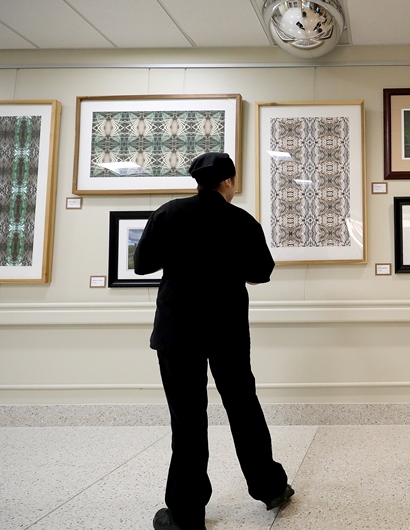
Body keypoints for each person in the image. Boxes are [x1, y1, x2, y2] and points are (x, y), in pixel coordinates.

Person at [134, 152, 294, 530]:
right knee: (244, 408)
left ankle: (186, 514)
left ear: (198, 181)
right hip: (227, 330)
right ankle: (271, 488)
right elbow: (262, 273)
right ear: (228, 182)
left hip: (177, 332)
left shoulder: (169, 213)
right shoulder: (240, 220)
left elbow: (143, 264)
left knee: (187, 420)